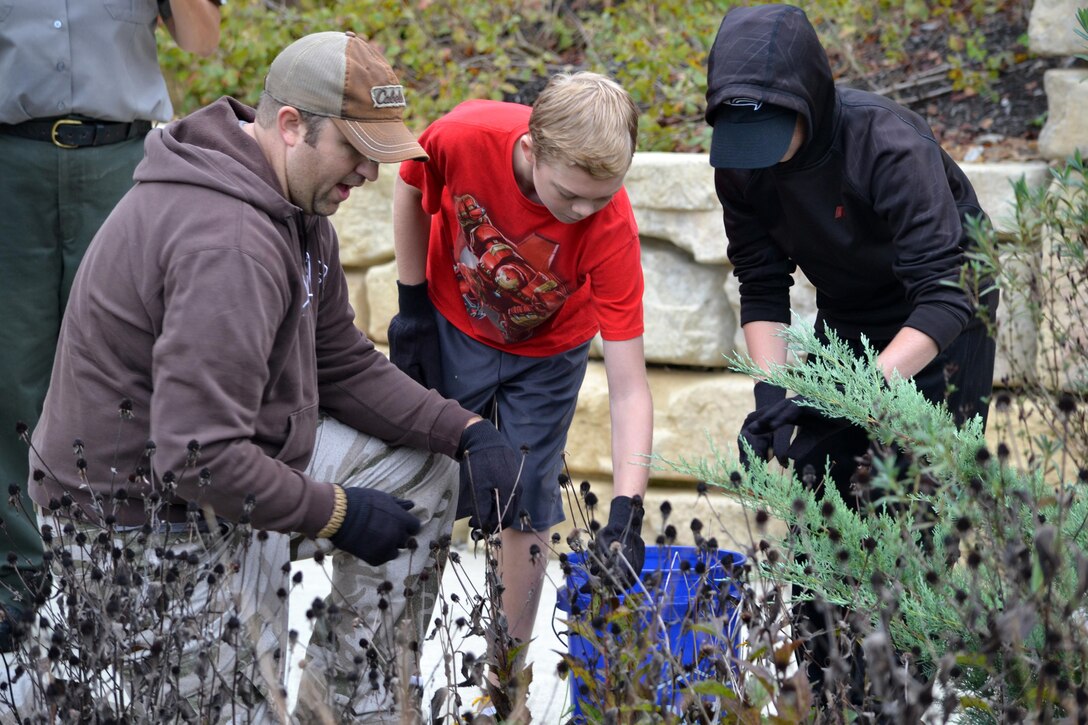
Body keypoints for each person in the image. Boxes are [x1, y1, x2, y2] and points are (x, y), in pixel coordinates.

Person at [25, 31, 521, 723]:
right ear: (291, 125)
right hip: (139, 525)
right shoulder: (227, 243)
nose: (370, 176)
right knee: (230, 707)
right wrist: (337, 513)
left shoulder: (295, 206)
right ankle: (61, 675)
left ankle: (350, 704)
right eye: (356, 151)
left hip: (232, 467)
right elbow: (197, 458)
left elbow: (341, 363)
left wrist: (465, 431)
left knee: (419, 472)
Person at [705, 2, 997, 700]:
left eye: (772, 132)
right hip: (850, 315)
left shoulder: (889, 145)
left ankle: (906, 698)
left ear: (812, 98)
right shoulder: (740, 165)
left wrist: (858, 391)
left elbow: (948, 291)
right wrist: (771, 393)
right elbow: (763, 282)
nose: (757, 152)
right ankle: (835, 694)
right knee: (820, 508)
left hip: (944, 317)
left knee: (911, 518)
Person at [390, 71, 654, 707]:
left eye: (602, 197)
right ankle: (393, 667)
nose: (584, 213)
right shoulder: (463, 135)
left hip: (549, 349)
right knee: (422, 486)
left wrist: (628, 509)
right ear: (532, 152)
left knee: (527, 502)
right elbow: (408, 190)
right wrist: (410, 304)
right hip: (454, 322)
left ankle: (503, 685)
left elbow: (629, 387)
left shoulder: (608, 226)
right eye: (570, 196)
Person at [0, 0, 223, 652]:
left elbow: (204, 41)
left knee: (133, 367)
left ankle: (127, 565)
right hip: (11, 164)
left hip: (121, 165)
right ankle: (18, 573)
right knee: (9, 372)